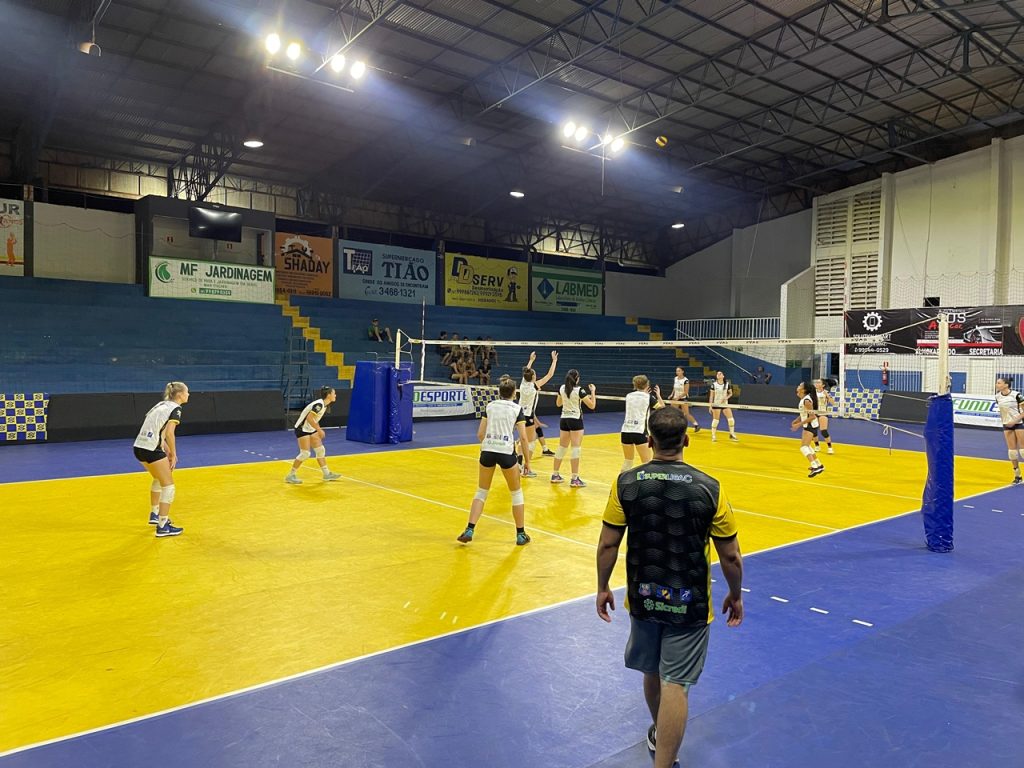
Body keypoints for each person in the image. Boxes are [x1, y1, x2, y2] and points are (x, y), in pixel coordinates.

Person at [596, 406, 744, 768]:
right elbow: (731, 557)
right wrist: (735, 594)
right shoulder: (710, 488)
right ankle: (664, 761)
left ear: (649, 440)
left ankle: (660, 732)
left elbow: (608, 545)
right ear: (686, 441)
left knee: (652, 671)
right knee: (675, 682)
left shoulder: (627, 483)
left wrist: (602, 587)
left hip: (644, 597)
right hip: (689, 601)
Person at [456, 377, 532, 545]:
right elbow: (524, 438)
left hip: (488, 450)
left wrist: (488, 444)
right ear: (514, 392)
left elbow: (480, 434)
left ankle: (469, 529)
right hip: (506, 452)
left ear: (499, 392)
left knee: (481, 491)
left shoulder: (489, 406)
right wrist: (527, 462)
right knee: (516, 493)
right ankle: (520, 534)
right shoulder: (517, 409)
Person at [133, 381, 190, 538]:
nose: (188, 395)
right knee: (169, 486)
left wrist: (166, 449)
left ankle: (154, 513)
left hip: (139, 447)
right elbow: (170, 433)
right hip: (151, 449)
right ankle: (163, 525)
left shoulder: (160, 405)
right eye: (187, 392)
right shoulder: (175, 408)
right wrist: (173, 453)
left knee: (158, 478)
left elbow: (156, 430)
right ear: (180, 395)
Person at [285, 386, 342, 484]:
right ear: (328, 395)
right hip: (302, 429)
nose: (335, 395)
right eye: (334, 393)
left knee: (320, 450)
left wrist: (317, 429)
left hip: (310, 428)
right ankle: (290, 475)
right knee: (305, 453)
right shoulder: (319, 405)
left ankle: (326, 474)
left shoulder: (324, 404)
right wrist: (319, 430)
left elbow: (315, 419)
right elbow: (310, 418)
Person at [551, 369, 597, 487]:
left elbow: (558, 404)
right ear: (577, 378)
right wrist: (593, 392)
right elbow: (592, 406)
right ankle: (575, 478)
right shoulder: (579, 390)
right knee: (575, 448)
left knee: (562, 447)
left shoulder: (562, 388)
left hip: (564, 420)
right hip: (575, 420)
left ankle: (555, 474)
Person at [519, 350, 559, 471]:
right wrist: (554, 361)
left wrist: (531, 360)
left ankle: (519, 463)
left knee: (522, 440)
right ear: (533, 377)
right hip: (527, 416)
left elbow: (527, 371)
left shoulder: (523, 383)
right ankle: (526, 467)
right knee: (530, 442)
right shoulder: (533, 385)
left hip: (518, 414)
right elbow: (549, 375)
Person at [621, 375, 665, 473]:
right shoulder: (649, 397)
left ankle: (620, 484)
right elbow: (663, 409)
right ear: (647, 384)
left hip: (626, 431)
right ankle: (648, 486)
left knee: (628, 461)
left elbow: (638, 400)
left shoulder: (629, 395)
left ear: (635, 384)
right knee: (647, 463)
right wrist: (658, 395)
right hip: (639, 432)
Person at [792, 382, 825, 478]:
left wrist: (798, 424)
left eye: (800, 386)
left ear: (804, 390)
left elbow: (812, 416)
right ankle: (819, 465)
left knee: (803, 447)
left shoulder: (806, 400)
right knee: (807, 446)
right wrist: (797, 420)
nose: (798, 386)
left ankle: (815, 466)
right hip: (809, 425)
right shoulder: (803, 399)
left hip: (810, 425)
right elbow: (804, 413)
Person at [995, 377, 1024, 485]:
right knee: (1012, 452)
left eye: (999, 383)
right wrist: (1007, 421)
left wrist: (1015, 420)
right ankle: (1018, 475)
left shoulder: (1017, 395)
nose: (996, 384)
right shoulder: (997, 396)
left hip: (1018, 423)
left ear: (1006, 385)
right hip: (1007, 425)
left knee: (1023, 451)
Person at [708, 371, 738, 442]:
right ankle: (713, 435)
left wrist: (726, 398)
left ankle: (732, 434)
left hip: (725, 404)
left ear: (723, 376)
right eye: (717, 374)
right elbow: (711, 396)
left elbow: (730, 393)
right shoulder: (714, 385)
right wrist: (710, 406)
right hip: (716, 404)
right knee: (716, 420)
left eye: (720, 373)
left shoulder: (727, 384)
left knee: (731, 419)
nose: (718, 375)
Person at [668, 366, 700, 432]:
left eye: (679, 371)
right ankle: (673, 426)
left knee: (686, 414)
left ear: (683, 371)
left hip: (683, 398)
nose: (677, 372)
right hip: (675, 398)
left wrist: (678, 397)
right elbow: (674, 388)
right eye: (677, 371)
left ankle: (696, 425)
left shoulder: (686, 380)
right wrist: (671, 394)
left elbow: (686, 392)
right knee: (672, 412)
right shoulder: (675, 378)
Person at [812, 378, 838, 454]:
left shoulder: (826, 392)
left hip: (823, 413)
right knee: (813, 431)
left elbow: (833, 403)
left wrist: (827, 396)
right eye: (816, 382)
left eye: (818, 382)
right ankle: (817, 446)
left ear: (823, 385)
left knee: (823, 431)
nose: (816, 383)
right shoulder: (812, 393)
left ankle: (830, 447)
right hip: (814, 413)